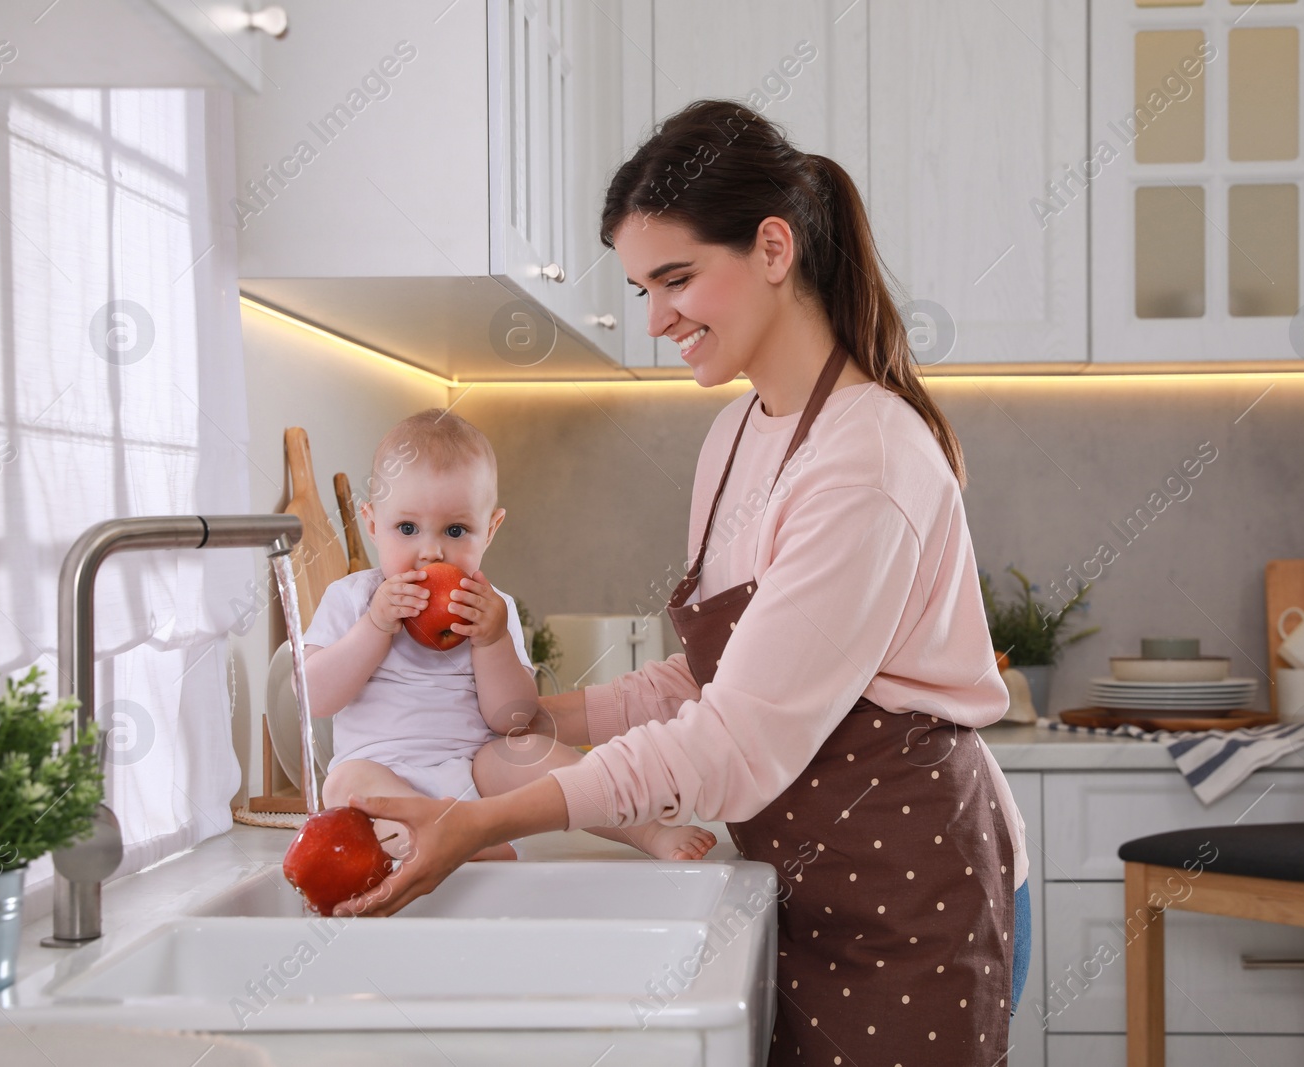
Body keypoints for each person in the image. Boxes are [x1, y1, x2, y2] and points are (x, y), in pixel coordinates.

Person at [335, 100, 1031, 1064]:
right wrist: (530, 716)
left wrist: (485, 816)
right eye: (638, 287)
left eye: (677, 279)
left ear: (774, 248)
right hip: (795, 880)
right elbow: (706, 681)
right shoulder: (736, 435)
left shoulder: (865, 464)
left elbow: (735, 740)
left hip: (909, 895)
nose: (655, 319)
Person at [302, 408, 717, 862]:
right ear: (371, 522)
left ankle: (646, 829)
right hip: (381, 773)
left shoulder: (490, 608)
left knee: (523, 751)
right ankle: (442, 837)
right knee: (343, 782)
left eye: (456, 530)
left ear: (491, 528)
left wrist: (492, 641)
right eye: (407, 528)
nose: (431, 551)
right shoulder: (351, 598)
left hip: (480, 781)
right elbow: (315, 699)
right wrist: (375, 627)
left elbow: (512, 719)